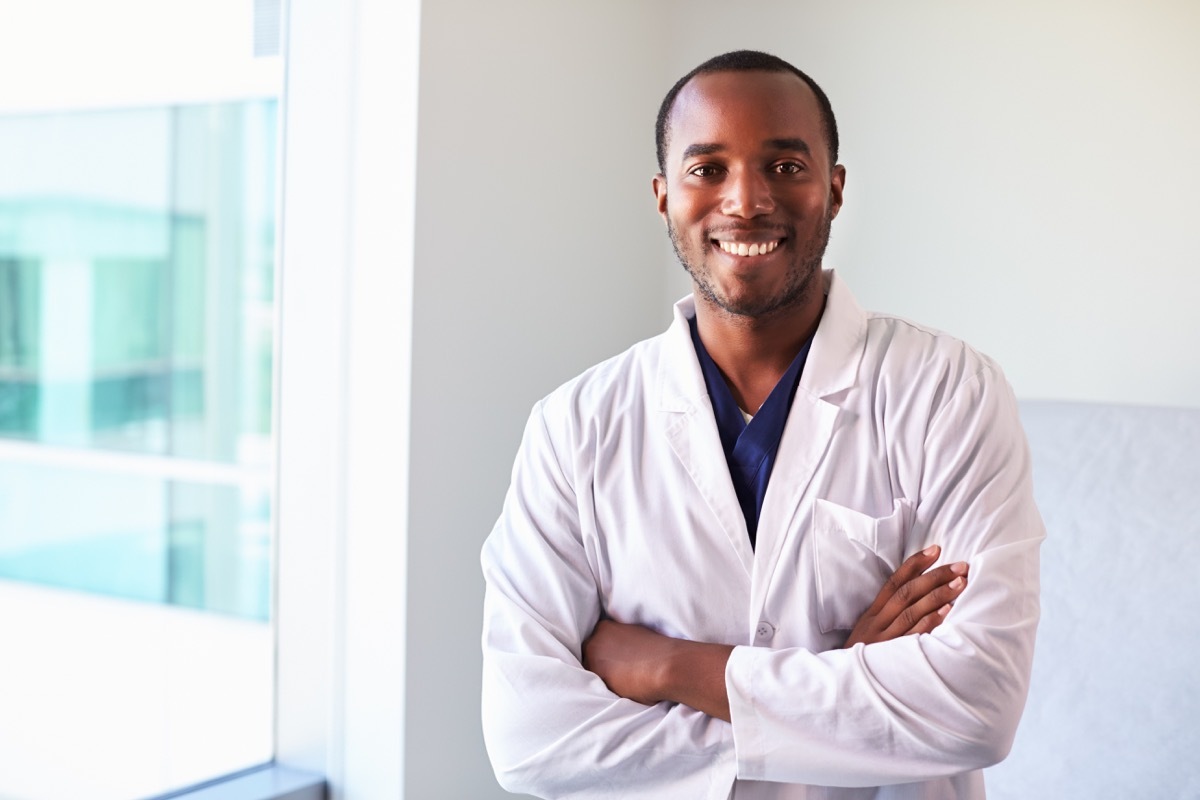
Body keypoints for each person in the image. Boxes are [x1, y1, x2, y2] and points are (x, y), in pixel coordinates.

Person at [480, 49, 1043, 799]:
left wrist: (673, 668)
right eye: (707, 168)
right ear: (663, 196)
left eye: (784, 166)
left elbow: (976, 708)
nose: (745, 201)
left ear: (833, 189)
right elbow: (528, 738)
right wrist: (843, 679)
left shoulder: (947, 392)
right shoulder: (574, 427)